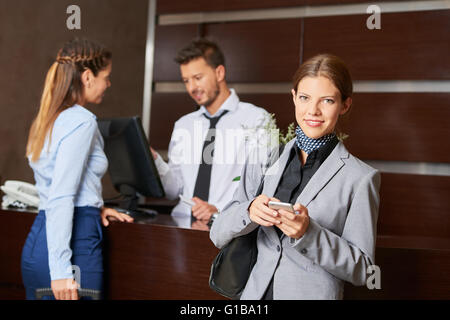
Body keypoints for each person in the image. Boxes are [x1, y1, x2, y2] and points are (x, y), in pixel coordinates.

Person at [210, 54, 381, 300]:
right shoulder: (263, 160)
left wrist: (308, 233)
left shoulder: (361, 178)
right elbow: (218, 232)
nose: (313, 110)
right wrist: (248, 211)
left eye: (327, 100)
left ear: (345, 105)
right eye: (304, 98)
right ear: (293, 97)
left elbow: (364, 270)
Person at [21, 38, 133, 300]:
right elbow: (62, 193)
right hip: (73, 246)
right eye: (106, 77)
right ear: (87, 77)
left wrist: (95, 205)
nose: (108, 83)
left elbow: (57, 186)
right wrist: (60, 270)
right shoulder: (82, 121)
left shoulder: (48, 119)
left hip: (39, 241)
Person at [151, 38, 269, 225]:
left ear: (219, 72)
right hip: (181, 224)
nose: (191, 88)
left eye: (198, 78)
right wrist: (155, 161)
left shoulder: (257, 119)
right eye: (186, 81)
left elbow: (264, 183)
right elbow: (174, 190)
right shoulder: (183, 125)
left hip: (227, 226)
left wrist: (220, 209)